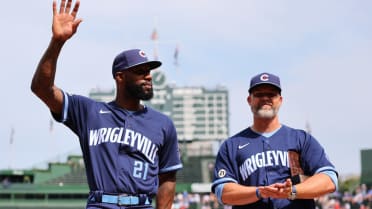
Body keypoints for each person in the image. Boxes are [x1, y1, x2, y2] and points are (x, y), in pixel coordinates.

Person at [30, 0, 183, 208]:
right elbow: (42, 89)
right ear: (120, 77)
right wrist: (57, 42)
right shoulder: (89, 112)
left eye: (149, 71)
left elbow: (167, 179)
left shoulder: (163, 124)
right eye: (140, 71)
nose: (148, 77)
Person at [211, 72, 338, 209]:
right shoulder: (232, 145)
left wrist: (292, 191)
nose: (265, 98)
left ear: (280, 100)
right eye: (259, 94)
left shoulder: (301, 139)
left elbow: (329, 179)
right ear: (249, 100)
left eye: (272, 94)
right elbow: (222, 192)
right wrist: (259, 192)